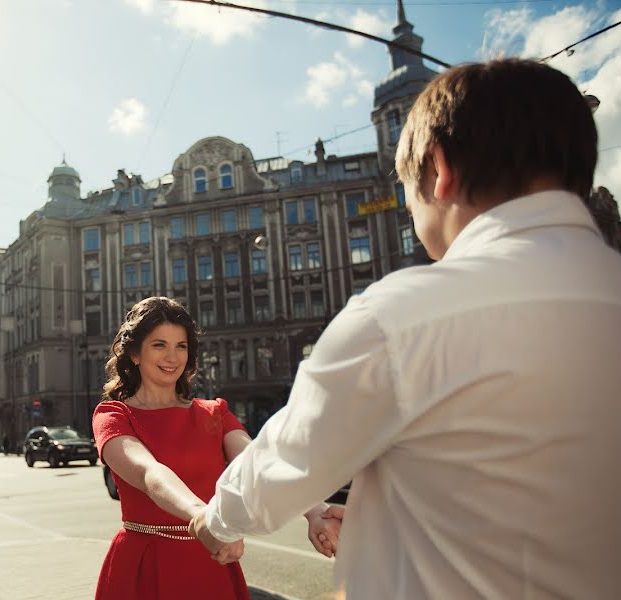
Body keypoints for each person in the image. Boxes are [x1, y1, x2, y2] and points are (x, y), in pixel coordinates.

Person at [190, 58, 621, 598]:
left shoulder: (402, 316)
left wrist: (214, 523)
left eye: (406, 190)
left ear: (439, 171)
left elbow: (285, 461)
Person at [92, 296, 252, 599]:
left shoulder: (213, 412)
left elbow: (259, 463)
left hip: (210, 565)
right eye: (159, 345)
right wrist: (205, 518)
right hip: (143, 566)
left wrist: (315, 511)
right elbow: (150, 473)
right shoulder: (113, 415)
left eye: (181, 346)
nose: (172, 357)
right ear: (135, 354)